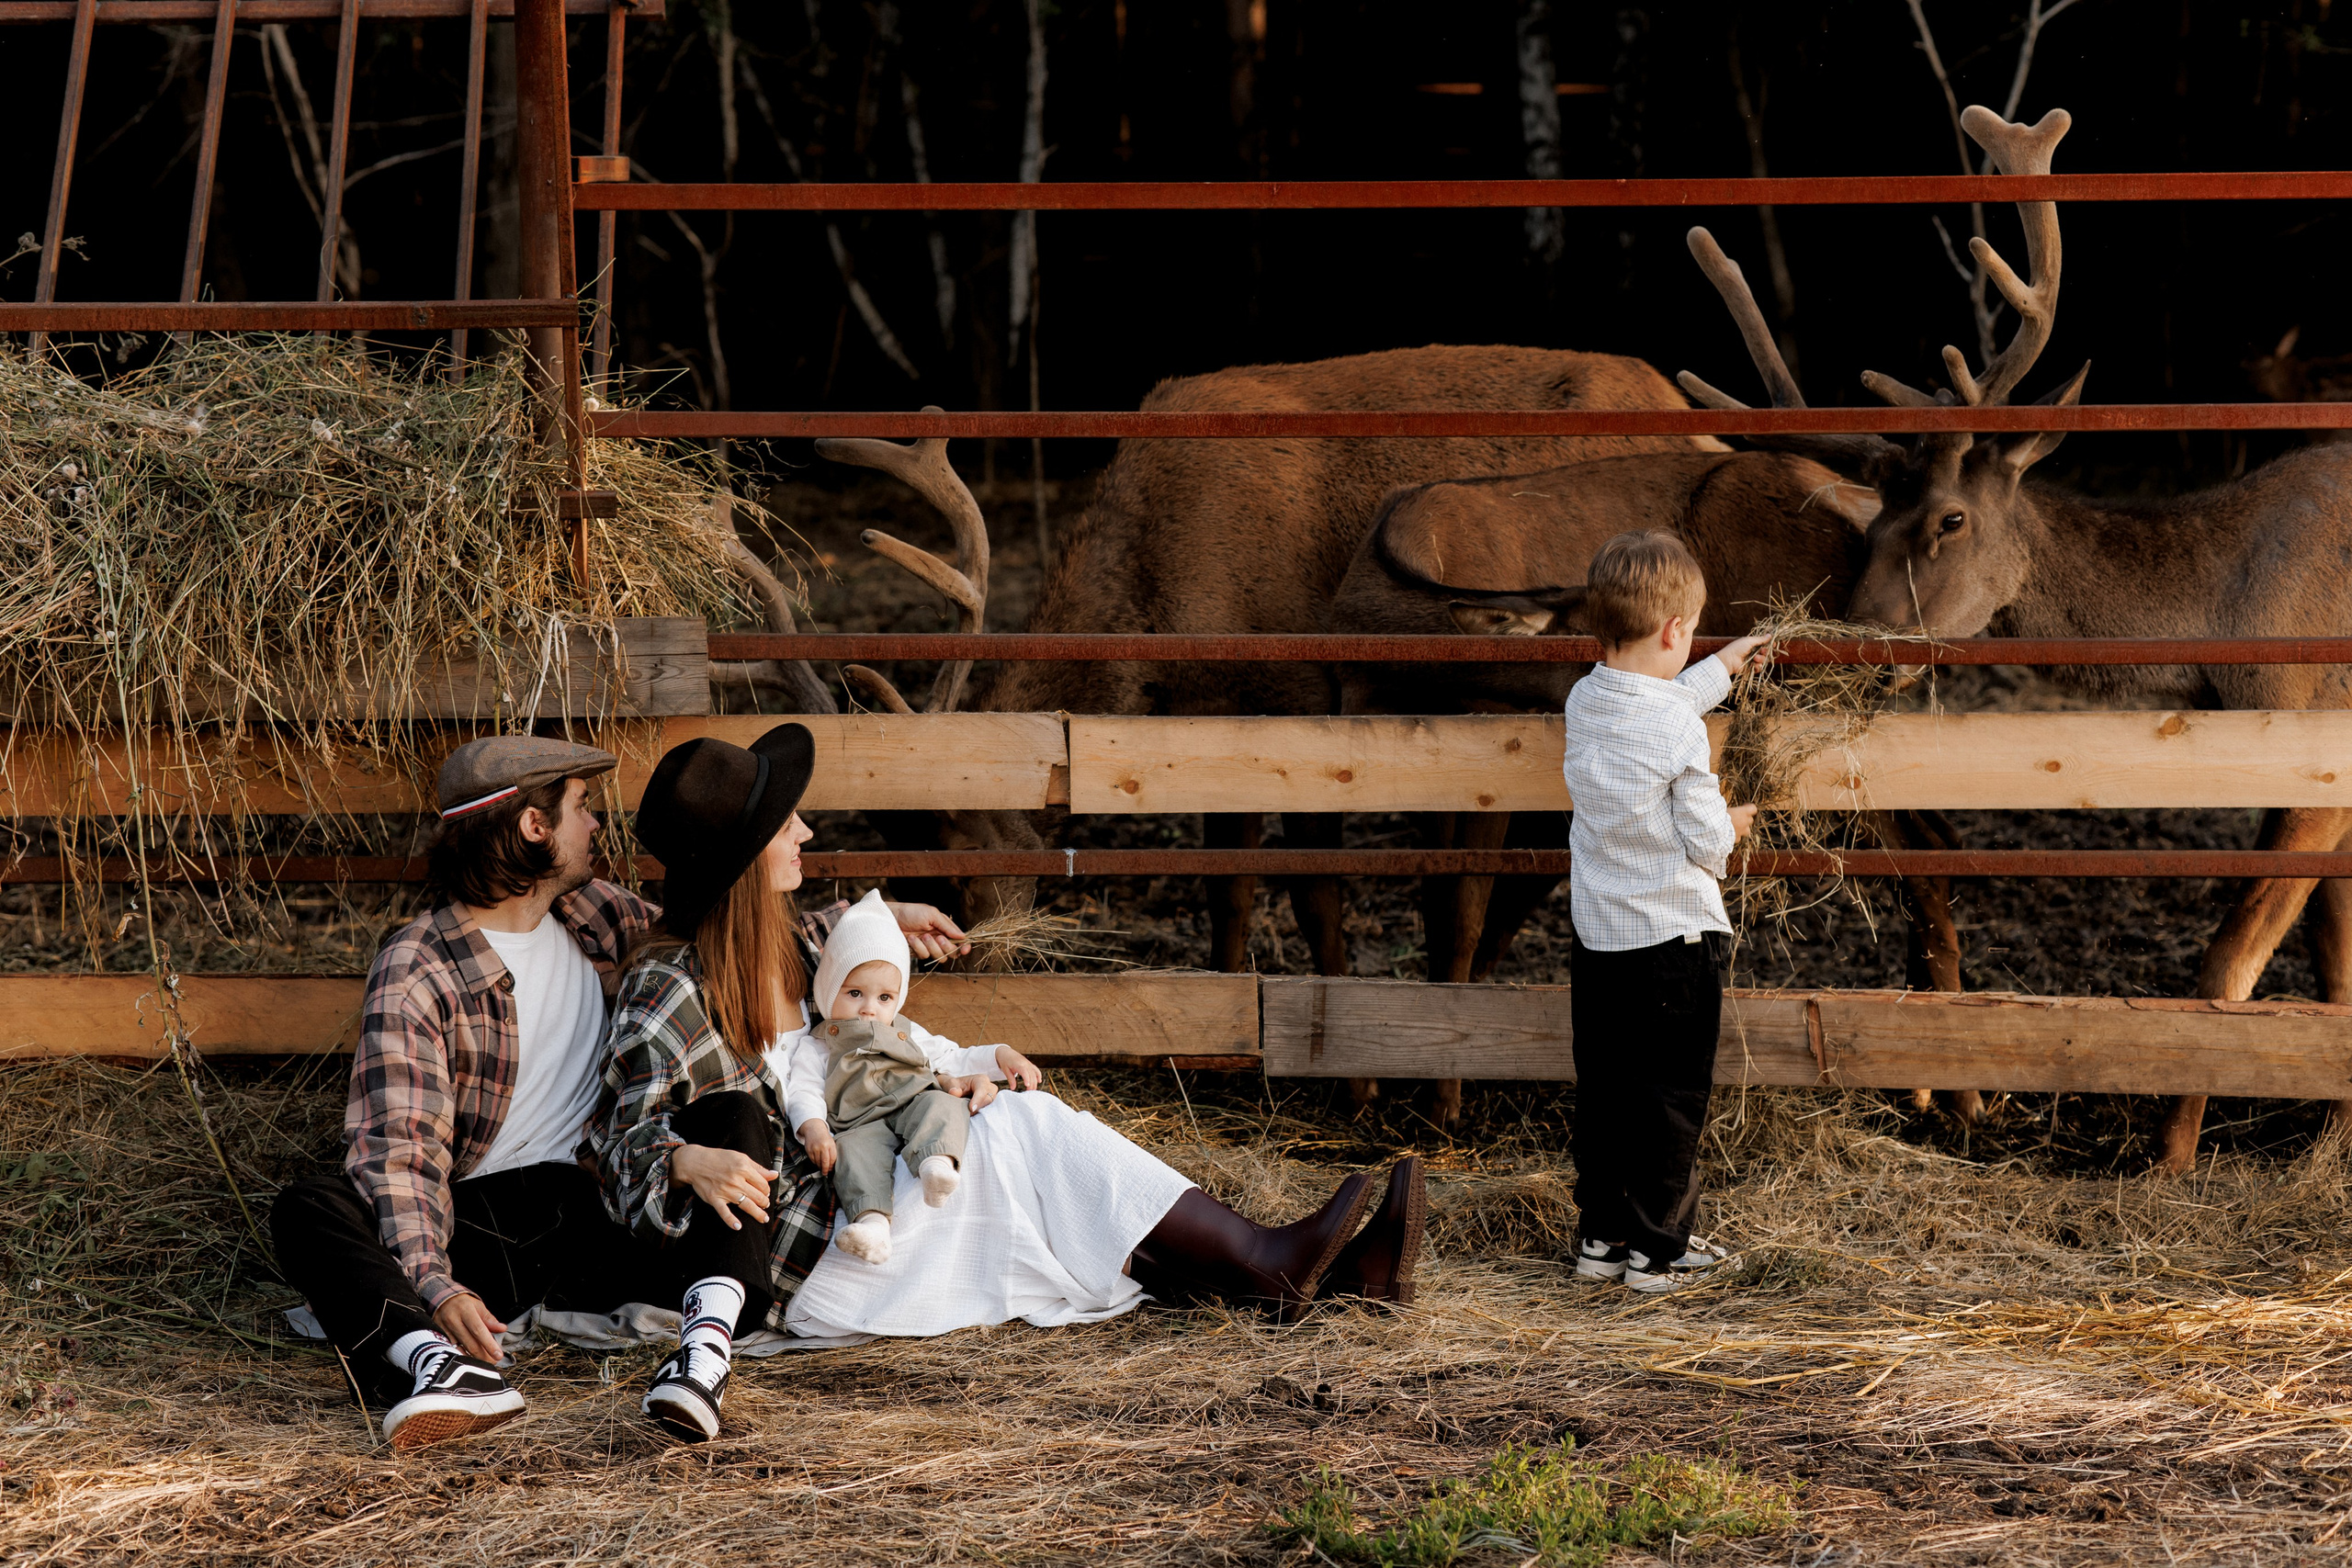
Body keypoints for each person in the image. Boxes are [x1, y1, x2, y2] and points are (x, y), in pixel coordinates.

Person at [590, 722, 1424, 1445]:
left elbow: (845, 949)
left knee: (1007, 1122)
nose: (805, 829)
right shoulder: (671, 989)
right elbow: (619, 1143)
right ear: (744, 861)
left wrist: (898, 930)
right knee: (1017, 1134)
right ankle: (1262, 1260)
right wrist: (681, 1159)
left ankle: (1319, 1282)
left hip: (862, 1182)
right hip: (807, 1245)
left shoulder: (792, 948)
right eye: (785, 822)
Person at [269, 733, 965, 1453]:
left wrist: (869, 928)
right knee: (309, 1206)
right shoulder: (418, 967)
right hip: (491, 1223)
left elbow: (719, 921)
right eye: (581, 808)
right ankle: (434, 1361)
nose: (597, 825)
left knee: (730, 1112)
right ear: (533, 827)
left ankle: (703, 1358)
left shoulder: (589, 912)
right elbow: (399, 1153)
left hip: (606, 1207)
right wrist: (436, 1284)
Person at [1558, 530, 1766, 1294]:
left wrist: (1721, 668)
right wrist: (1734, 829)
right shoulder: (1678, 726)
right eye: (1695, 633)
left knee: (1608, 1090)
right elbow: (1703, 833)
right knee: (1671, 1097)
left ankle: (1601, 1240)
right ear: (1675, 630)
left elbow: (1655, 697)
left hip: (1601, 943)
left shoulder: (1586, 697)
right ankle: (1658, 1251)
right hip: (1676, 944)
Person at [782, 888, 1044, 1267]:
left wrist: (999, 1053)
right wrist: (814, 1128)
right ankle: (872, 1225)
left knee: (942, 1103)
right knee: (854, 1158)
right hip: (858, 1123)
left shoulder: (906, 1031)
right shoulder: (819, 1045)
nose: (870, 1009)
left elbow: (951, 1055)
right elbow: (802, 1090)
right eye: (855, 993)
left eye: (885, 998)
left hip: (912, 1100)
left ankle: (937, 1164)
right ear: (827, 988)